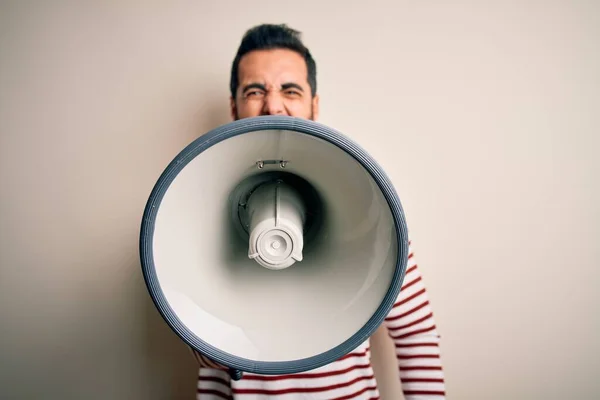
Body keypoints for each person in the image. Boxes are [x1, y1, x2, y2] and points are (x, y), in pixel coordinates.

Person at [192, 23, 446, 399]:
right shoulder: (190, 207)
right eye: (254, 91)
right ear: (234, 108)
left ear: (315, 105)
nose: (273, 105)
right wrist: (210, 350)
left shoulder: (372, 205)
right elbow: (212, 374)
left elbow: (415, 333)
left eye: (290, 90)